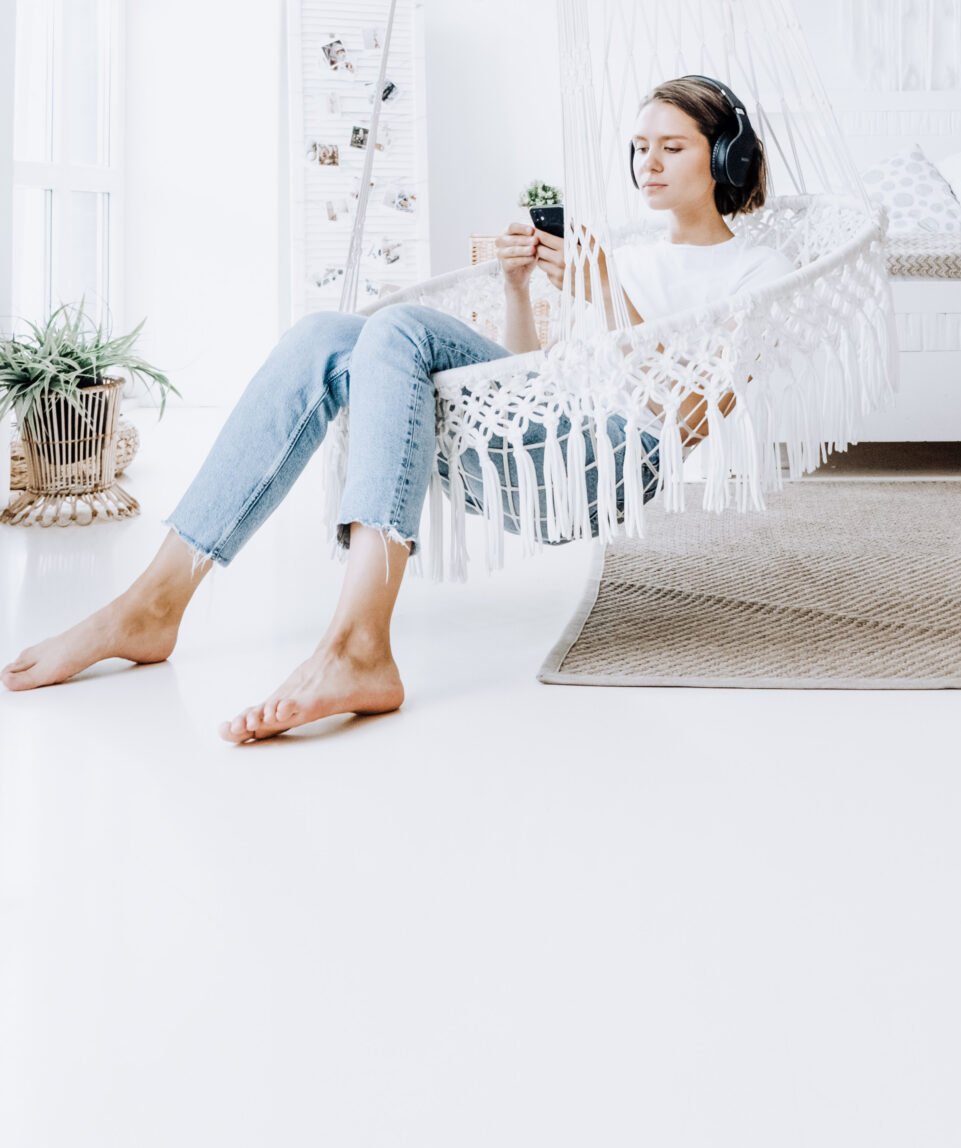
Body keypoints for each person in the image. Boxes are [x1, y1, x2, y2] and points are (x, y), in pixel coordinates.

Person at [2, 77, 794, 742]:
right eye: (640, 146)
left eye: (673, 146)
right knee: (323, 337)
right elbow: (527, 378)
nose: (647, 163)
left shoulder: (757, 271)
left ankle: (358, 644)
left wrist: (601, 291)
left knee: (402, 330)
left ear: (724, 157)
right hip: (540, 427)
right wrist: (523, 291)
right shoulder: (626, 254)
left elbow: (688, 412)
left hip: (601, 460)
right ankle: (153, 603)